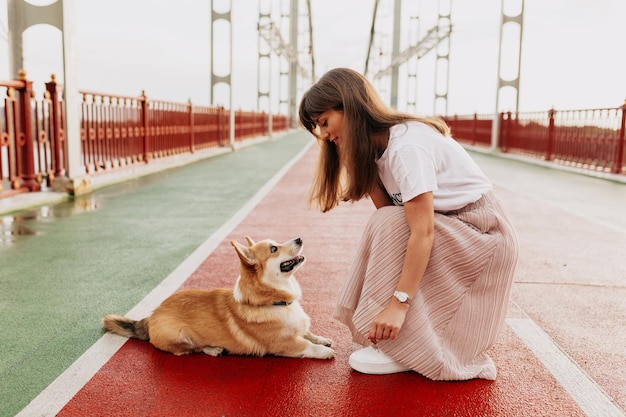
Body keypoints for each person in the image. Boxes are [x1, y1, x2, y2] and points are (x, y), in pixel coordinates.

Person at [298, 68, 519, 381]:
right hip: (449, 226)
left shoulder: (407, 147)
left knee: (391, 225)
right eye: (317, 128)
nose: (323, 135)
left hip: (483, 234)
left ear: (349, 106)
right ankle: (394, 341)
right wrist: (353, 156)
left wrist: (398, 305)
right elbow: (392, 219)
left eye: (324, 122)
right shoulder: (375, 149)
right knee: (385, 222)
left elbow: (421, 233)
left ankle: (401, 344)